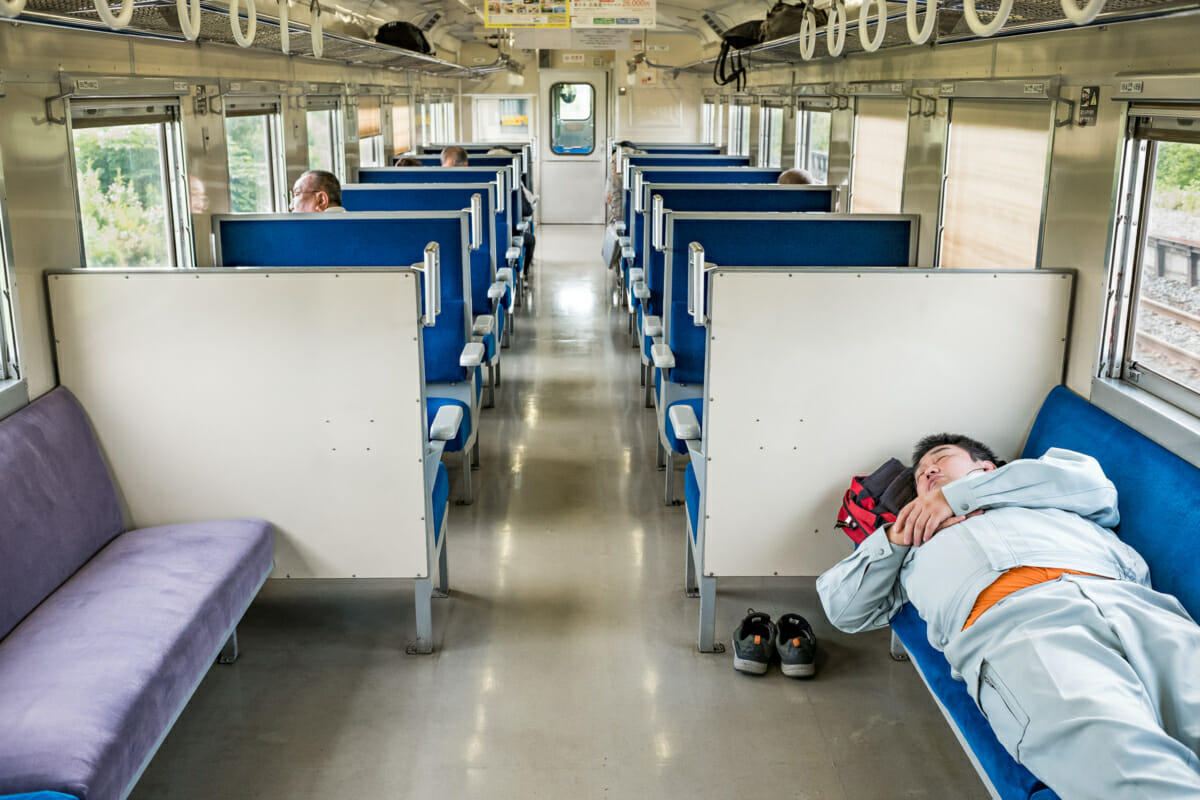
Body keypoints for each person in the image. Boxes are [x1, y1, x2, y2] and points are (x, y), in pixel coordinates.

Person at [817, 434, 1200, 799]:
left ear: (986, 468)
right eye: (920, 476)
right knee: (1127, 767)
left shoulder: (1040, 485)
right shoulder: (911, 547)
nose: (927, 472)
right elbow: (843, 609)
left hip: (1135, 605)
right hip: (1019, 630)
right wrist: (898, 536)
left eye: (941, 457)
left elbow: (1095, 487)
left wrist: (958, 497)